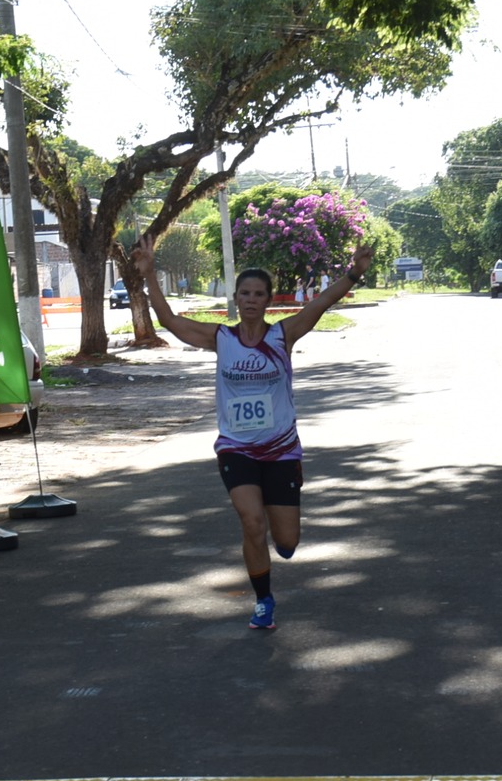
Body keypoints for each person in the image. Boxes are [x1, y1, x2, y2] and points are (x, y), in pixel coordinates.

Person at [132, 238, 374, 629]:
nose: (251, 299)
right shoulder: (221, 339)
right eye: (244, 293)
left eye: (259, 294)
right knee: (251, 522)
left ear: (267, 300)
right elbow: (170, 322)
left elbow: (320, 304)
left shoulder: (283, 335)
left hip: (281, 451)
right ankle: (263, 601)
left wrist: (354, 272)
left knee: (288, 543)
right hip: (236, 450)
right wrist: (148, 276)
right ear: (235, 298)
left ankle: (282, 542)